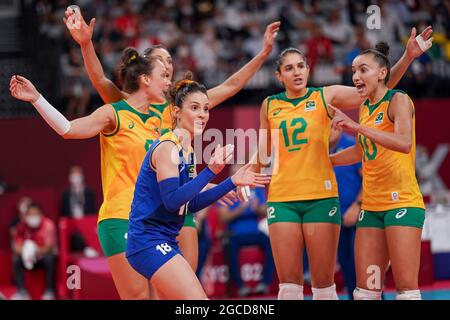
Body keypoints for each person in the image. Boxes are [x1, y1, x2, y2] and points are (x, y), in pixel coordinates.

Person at [63, 8, 279, 273]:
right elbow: (98, 79)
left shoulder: (177, 109)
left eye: (169, 61)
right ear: (144, 73)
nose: (168, 66)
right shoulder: (122, 107)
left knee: (185, 282)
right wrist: (86, 44)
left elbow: (231, 86)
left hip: (175, 207)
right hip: (136, 214)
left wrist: (263, 53)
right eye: (161, 62)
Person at [254, 26, 432, 300]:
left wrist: (407, 58)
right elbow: (263, 154)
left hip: (374, 200)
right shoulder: (271, 105)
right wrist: (240, 179)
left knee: (396, 289)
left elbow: (383, 93)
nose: (297, 71)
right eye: (289, 68)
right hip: (320, 201)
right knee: (354, 291)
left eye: (301, 65)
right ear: (279, 75)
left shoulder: (332, 96)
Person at [10, 48, 170, 300]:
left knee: (163, 295)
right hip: (121, 219)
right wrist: (37, 98)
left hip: (154, 221)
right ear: (146, 79)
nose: (169, 81)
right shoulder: (113, 113)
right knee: (139, 297)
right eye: (164, 75)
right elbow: (67, 129)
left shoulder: (158, 120)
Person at [126, 75, 271, 299]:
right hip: (148, 241)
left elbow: (190, 203)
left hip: (164, 239)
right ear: (176, 112)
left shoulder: (188, 150)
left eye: (205, 108)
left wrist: (231, 181)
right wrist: (211, 170)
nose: (202, 114)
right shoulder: (168, 147)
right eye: (194, 108)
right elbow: (172, 201)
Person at [330, 42, 426, 300]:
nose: (355, 76)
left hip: (402, 203)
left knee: (406, 290)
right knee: (366, 292)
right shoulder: (365, 108)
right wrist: (326, 161)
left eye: (363, 70)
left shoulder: (399, 100)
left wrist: (357, 128)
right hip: (372, 208)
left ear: (382, 73)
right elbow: (363, 151)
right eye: (353, 71)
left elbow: (404, 143)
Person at [218, 164, 274, 297]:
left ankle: (265, 284)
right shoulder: (226, 190)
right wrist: (240, 210)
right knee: (229, 246)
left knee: (272, 243)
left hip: (255, 232)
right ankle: (240, 287)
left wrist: (257, 208)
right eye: (235, 172)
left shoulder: (255, 188)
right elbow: (223, 217)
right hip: (235, 234)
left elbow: (267, 210)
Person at [329, 126, 362, 299]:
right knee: (347, 267)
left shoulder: (352, 145)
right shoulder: (321, 148)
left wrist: (357, 205)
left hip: (358, 216)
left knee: (362, 267)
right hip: (336, 219)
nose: (327, 131)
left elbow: (369, 178)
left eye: (330, 127)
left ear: (338, 127)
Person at [11, 203, 58, 300]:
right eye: (30, 215)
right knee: (16, 259)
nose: (33, 217)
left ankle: (49, 291)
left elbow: (49, 247)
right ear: (26, 216)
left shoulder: (48, 224)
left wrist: (35, 250)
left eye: (36, 214)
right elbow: (17, 246)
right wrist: (26, 252)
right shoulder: (22, 226)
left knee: (50, 258)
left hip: (42, 256)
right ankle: (22, 292)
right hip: (27, 258)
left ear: (41, 214)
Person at [61, 165, 97, 254]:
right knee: (75, 238)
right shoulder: (66, 194)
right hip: (72, 225)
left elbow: (93, 210)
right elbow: (63, 212)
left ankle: (88, 250)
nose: (76, 177)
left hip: (87, 223)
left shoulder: (89, 192)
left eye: (78, 174)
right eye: (73, 174)